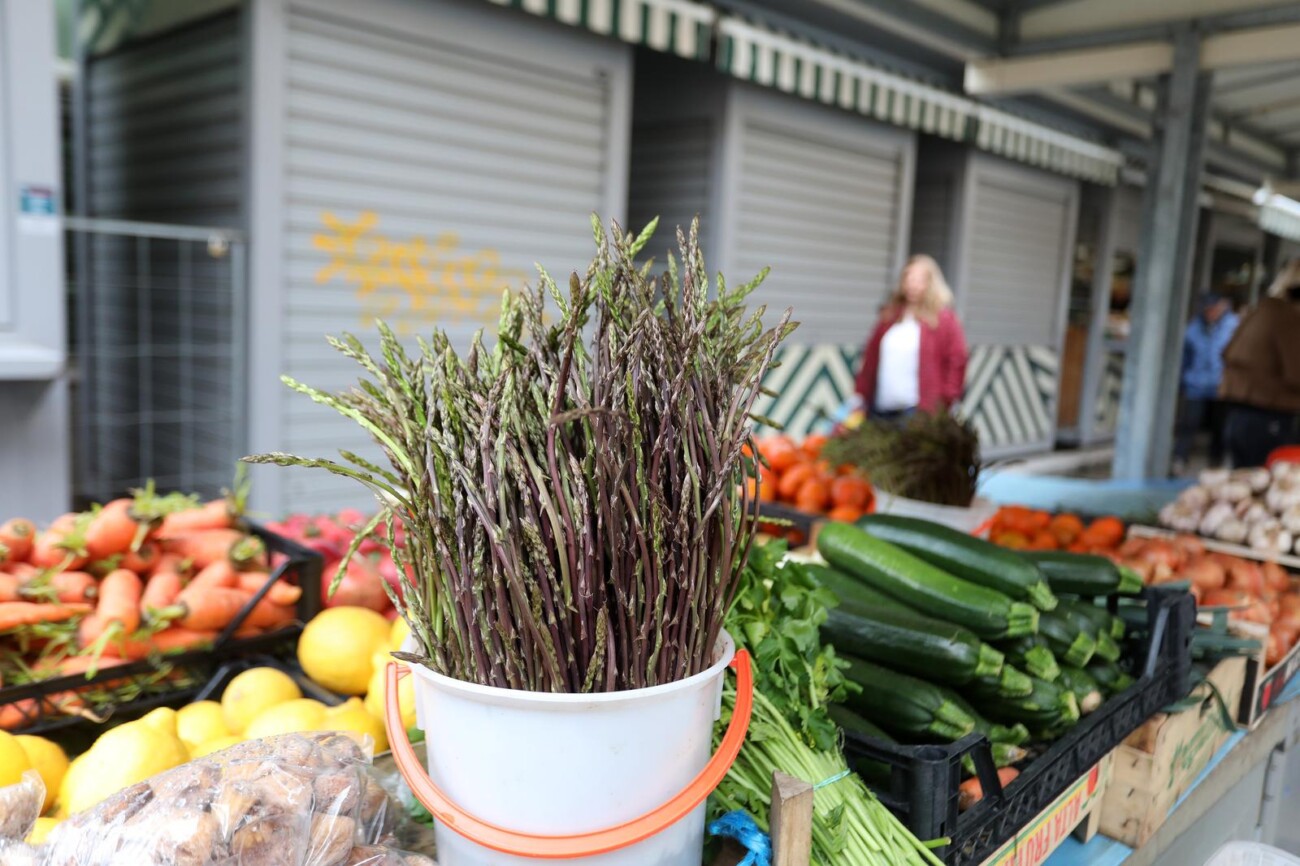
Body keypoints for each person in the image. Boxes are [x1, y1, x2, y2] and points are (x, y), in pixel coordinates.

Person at [854, 255, 968, 420]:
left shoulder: (943, 320)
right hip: (881, 409)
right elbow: (871, 358)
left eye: (919, 280)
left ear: (931, 283)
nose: (913, 285)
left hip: (918, 411)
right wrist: (860, 393)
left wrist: (948, 399)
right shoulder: (890, 316)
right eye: (909, 278)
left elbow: (957, 360)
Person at [1220, 259, 1300, 467]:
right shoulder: (1287, 319)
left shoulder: (1263, 310)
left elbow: (1227, 352)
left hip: (1241, 416)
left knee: (1245, 481)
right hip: (1267, 419)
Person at [1173, 293, 1238, 471]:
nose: (1210, 313)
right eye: (1207, 309)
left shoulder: (1233, 326)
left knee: (1220, 426)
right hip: (1197, 384)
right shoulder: (1194, 328)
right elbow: (1185, 357)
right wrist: (1183, 381)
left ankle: (1215, 462)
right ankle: (1180, 457)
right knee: (1189, 422)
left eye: (1213, 309)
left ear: (1222, 307)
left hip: (1221, 385)